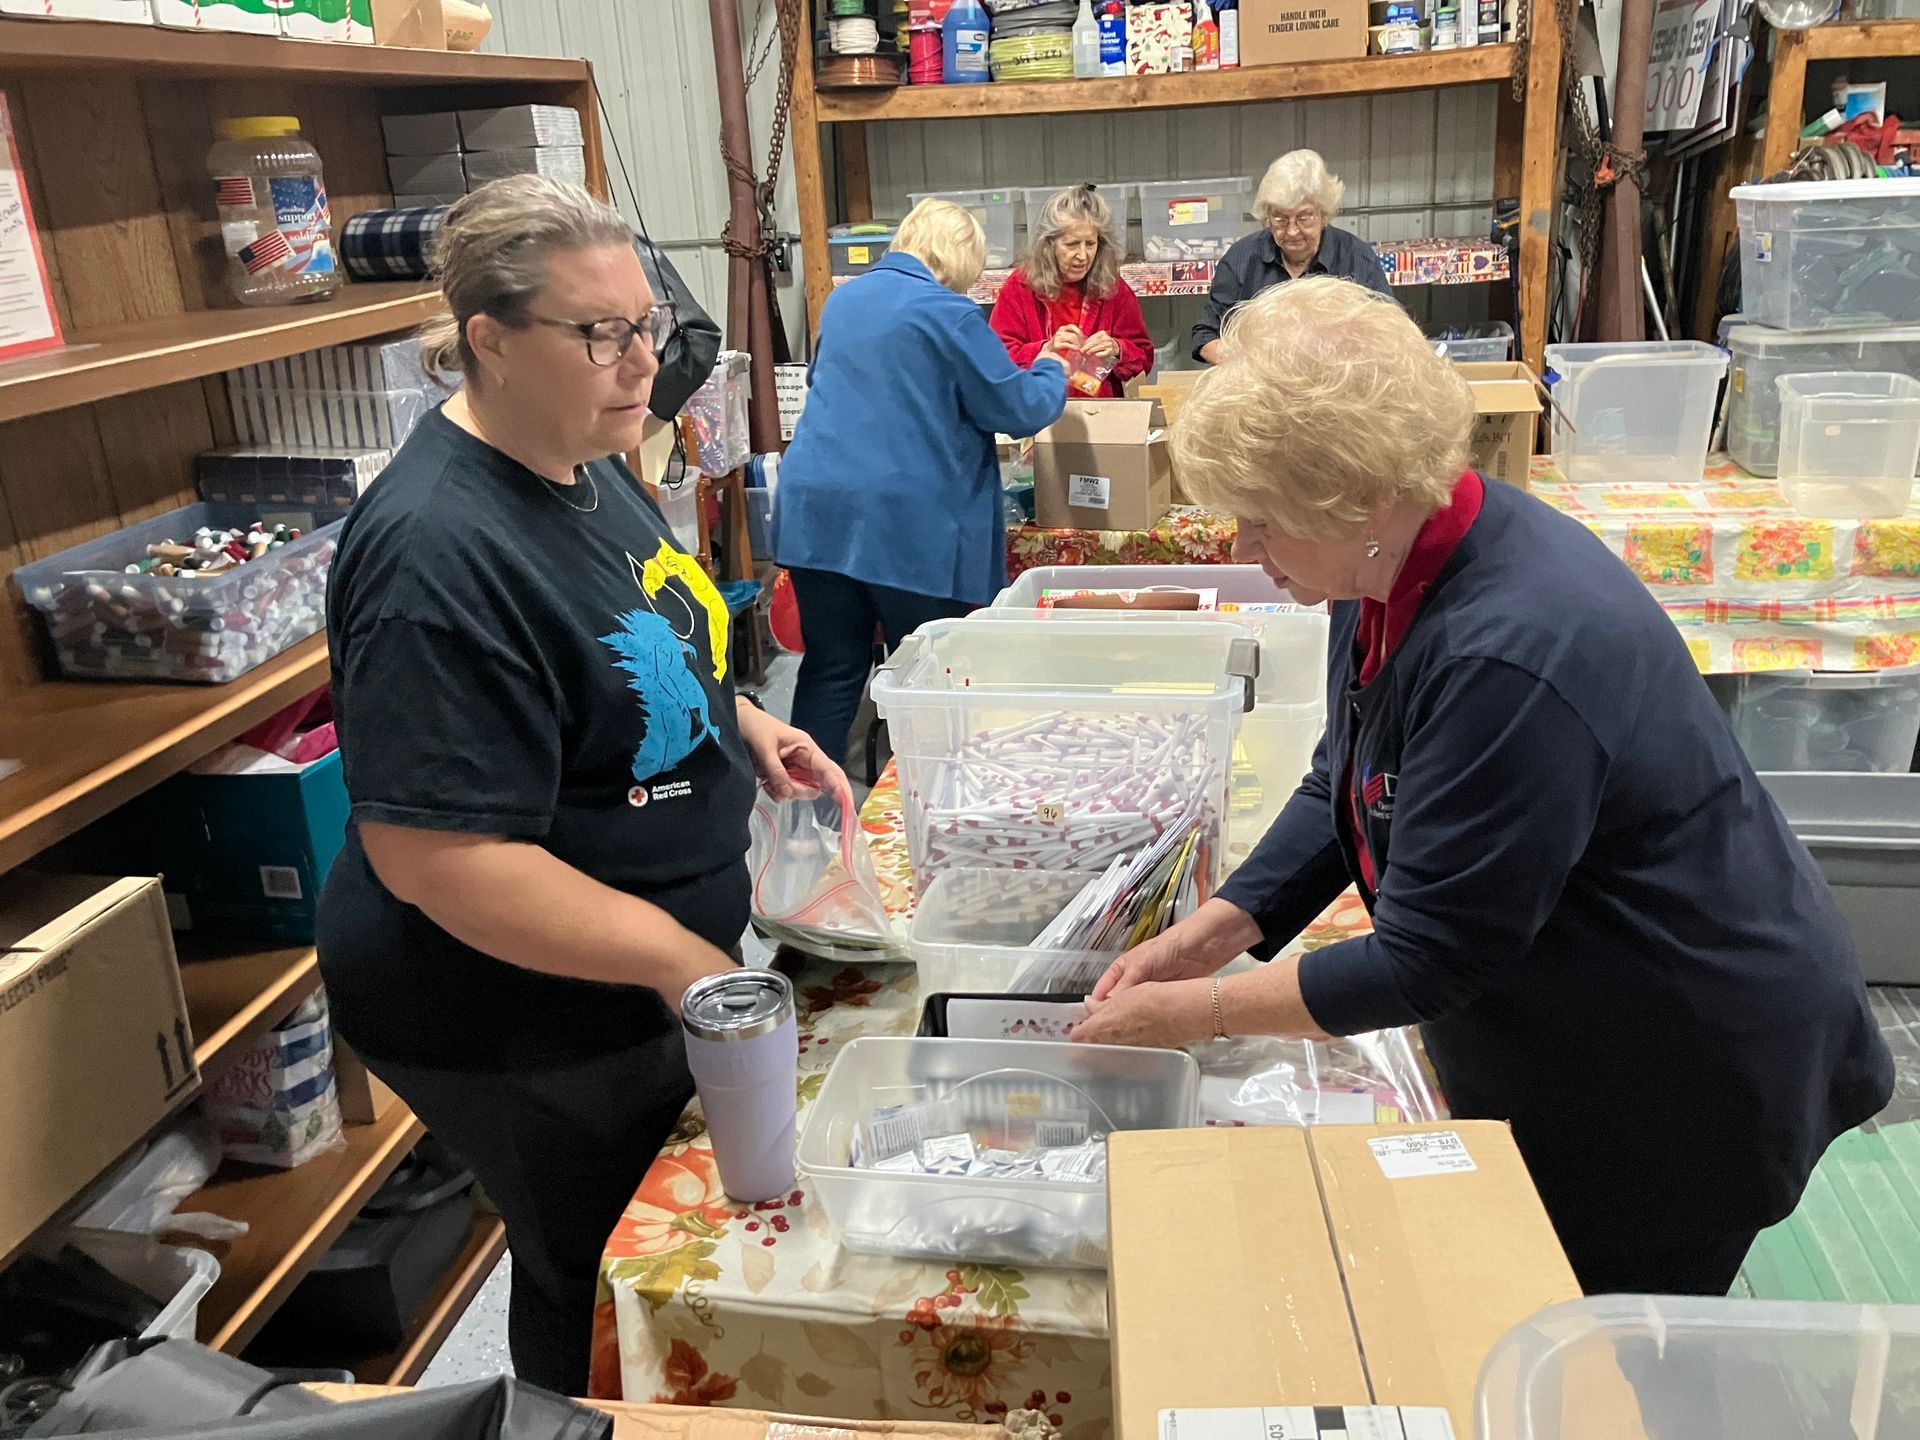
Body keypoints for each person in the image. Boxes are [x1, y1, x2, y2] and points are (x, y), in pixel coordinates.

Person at [1077, 277, 1892, 1299]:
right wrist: (1222, 927)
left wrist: (1202, 1012)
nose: (1244, 550)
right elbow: (1355, 762)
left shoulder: (1510, 648)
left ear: (1359, 497)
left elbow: (1427, 957)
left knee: (1602, 1336)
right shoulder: (1389, 564)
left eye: (1260, 522)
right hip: (1575, 1012)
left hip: (1682, 1055)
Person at [317, 175, 846, 1396]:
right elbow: (437, 859)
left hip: (624, 972)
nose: (642, 362)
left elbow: (633, 634)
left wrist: (741, 720)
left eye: (647, 326)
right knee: (593, 1261)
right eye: (601, 334)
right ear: (491, 342)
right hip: (507, 1012)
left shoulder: (584, 453)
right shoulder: (434, 553)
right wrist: (675, 961)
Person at [776, 198, 1069, 762]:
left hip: (817, 510)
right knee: (934, 669)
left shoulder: (842, 300)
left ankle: (808, 816)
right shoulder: (949, 312)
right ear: (960, 260)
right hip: (908, 522)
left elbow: (828, 383)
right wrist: (1054, 366)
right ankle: (929, 801)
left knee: (833, 666)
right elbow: (1017, 407)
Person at [1190, 150, 1394, 364]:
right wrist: (1248, 363)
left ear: (1323, 213)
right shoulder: (1242, 258)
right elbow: (1205, 335)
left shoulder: (1356, 257)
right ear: (1266, 215)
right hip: (1260, 384)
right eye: (1280, 218)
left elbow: (1392, 332)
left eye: (1304, 218)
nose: (1292, 231)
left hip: (1338, 384)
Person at [989, 183, 1153, 397]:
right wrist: (1044, 350)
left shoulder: (1113, 287)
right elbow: (994, 360)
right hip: (1036, 411)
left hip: (1100, 413)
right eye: (1072, 244)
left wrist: (1117, 349)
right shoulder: (1020, 287)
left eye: (1090, 244)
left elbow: (1144, 358)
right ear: (1049, 245)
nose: (1083, 255)